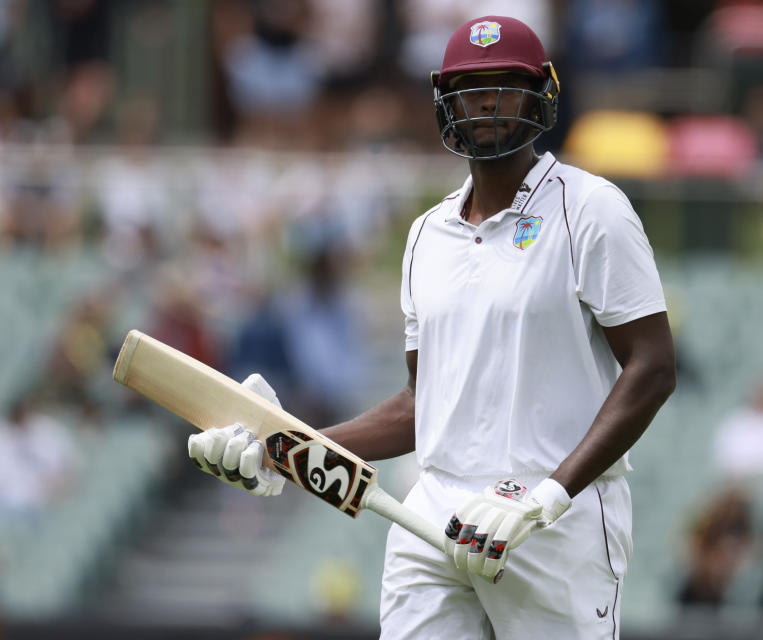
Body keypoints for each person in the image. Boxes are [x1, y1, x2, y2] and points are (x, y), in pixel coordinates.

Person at [186, 15, 675, 638]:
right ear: (446, 102)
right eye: (472, 88)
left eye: (506, 84)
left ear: (542, 95)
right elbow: (424, 407)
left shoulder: (591, 209)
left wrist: (549, 497)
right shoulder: (425, 236)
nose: (489, 101)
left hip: (557, 523)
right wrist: (282, 446)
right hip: (434, 515)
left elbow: (653, 367)